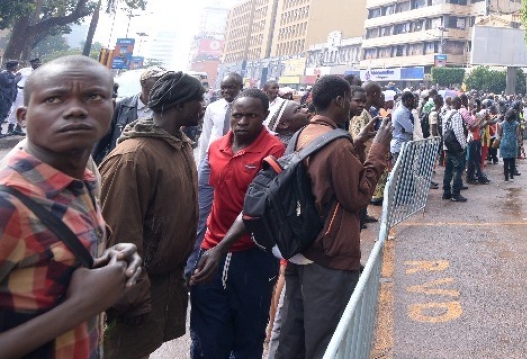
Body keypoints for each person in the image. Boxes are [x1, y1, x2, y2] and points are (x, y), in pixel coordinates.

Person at [0, 55, 143, 359]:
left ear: (112, 108)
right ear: (23, 116)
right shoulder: (7, 204)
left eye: (93, 96)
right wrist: (80, 306)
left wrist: (106, 259)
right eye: (54, 99)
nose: (76, 109)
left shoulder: (85, 178)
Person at [277, 75, 391, 359]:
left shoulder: (303, 134)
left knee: (293, 335)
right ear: (339, 100)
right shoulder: (337, 144)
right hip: (328, 253)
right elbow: (357, 197)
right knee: (325, 339)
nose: (353, 105)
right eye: (349, 99)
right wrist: (378, 151)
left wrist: (357, 143)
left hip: (301, 244)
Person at [98, 71, 204, 359]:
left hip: (162, 283)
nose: (203, 106)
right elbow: (120, 233)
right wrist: (131, 297)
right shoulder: (133, 157)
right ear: (180, 105)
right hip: (135, 288)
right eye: (199, 99)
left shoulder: (179, 145)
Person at [189, 89, 285, 359]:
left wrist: (220, 248)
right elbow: (206, 198)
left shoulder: (274, 150)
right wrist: (199, 247)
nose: (242, 122)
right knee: (207, 335)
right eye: (238, 115)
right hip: (211, 250)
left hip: (252, 256)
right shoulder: (215, 147)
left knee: (248, 335)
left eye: (251, 116)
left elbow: (255, 209)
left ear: (265, 116)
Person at [93, 66, 168, 163]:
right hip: (119, 162)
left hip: (148, 165)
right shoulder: (122, 105)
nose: (163, 83)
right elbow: (103, 138)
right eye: (157, 79)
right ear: (144, 83)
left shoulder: (165, 110)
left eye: (165, 80)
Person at [195, 72, 242, 165]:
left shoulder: (247, 108)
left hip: (235, 156)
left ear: (240, 87)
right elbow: (206, 134)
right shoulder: (212, 107)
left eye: (230, 87)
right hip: (212, 154)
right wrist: (201, 161)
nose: (226, 91)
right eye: (223, 88)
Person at [442, 96, 467, 201]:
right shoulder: (456, 115)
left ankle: (446, 192)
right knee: (457, 169)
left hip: (447, 146)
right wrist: (463, 146)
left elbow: (444, 132)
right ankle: (455, 194)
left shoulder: (446, 114)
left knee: (448, 169)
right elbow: (458, 133)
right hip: (456, 147)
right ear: (457, 102)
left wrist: (444, 146)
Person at [6, 57, 41, 136]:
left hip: (32, 92)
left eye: (39, 63)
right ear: (32, 63)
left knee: (26, 109)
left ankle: (18, 127)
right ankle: (10, 127)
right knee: (16, 108)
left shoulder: (40, 72)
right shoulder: (24, 70)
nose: (38, 65)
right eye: (36, 63)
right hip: (21, 91)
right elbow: (14, 78)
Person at [499, 108, 521, 181]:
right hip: (513, 142)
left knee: (505, 161)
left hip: (504, 142)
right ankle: (511, 176)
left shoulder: (503, 123)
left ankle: (506, 178)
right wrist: (520, 143)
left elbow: (500, 133)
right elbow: (518, 134)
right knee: (512, 160)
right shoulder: (516, 124)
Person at [0, 59, 19, 127]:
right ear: (12, 66)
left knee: (4, 114)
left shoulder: (11, 73)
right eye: (16, 66)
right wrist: (17, 77)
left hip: (9, 97)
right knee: (2, 113)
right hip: (3, 97)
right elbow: (9, 83)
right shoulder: (4, 73)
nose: (17, 67)